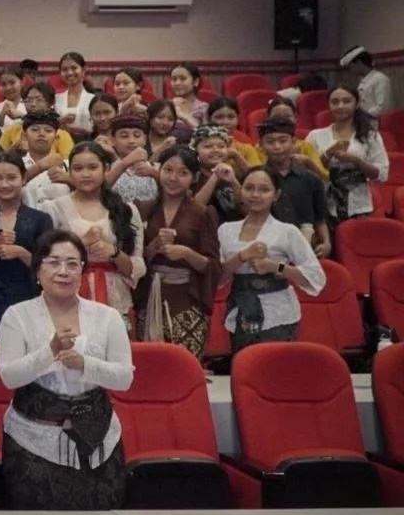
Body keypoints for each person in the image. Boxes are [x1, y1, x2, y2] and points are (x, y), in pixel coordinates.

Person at [0, 230, 134, 510]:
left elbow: (124, 379)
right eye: (53, 262)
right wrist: (50, 351)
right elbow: (9, 376)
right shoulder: (16, 315)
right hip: (31, 440)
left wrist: (86, 365)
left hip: (100, 440)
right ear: (38, 269)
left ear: (83, 270)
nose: (63, 271)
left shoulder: (107, 316)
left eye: (73, 263)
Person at [218, 167, 326, 350]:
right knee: (245, 367)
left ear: (276, 195)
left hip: (279, 312)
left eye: (264, 189)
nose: (255, 194)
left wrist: (276, 267)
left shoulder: (287, 231)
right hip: (241, 311)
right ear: (241, 191)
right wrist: (241, 257)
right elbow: (219, 279)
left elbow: (315, 277)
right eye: (249, 188)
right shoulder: (226, 230)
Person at [43, 143, 145, 333]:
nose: (85, 174)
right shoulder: (54, 208)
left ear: (105, 169)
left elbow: (136, 265)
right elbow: (46, 259)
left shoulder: (126, 209)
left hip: (115, 293)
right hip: (69, 291)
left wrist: (114, 252)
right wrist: (81, 243)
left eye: (92, 167)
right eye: (78, 168)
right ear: (70, 172)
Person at [132, 146, 220, 354]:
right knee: (151, 365)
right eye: (168, 170)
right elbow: (134, 259)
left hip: (187, 301)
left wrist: (187, 254)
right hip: (149, 298)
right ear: (159, 170)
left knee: (185, 367)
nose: (173, 177)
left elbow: (214, 266)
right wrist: (153, 247)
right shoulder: (143, 209)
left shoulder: (203, 213)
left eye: (183, 173)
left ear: (194, 177)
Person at [0, 155, 52, 339]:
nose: (4, 184)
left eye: (11, 178)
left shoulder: (41, 219)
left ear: (23, 179)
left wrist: (21, 253)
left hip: (29, 296)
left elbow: (48, 267)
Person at [307, 85, 389, 224]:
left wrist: (356, 161)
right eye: (335, 102)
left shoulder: (370, 136)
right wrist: (327, 154)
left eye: (346, 101)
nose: (340, 106)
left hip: (359, 206)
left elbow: (381, 175)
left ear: (356, 104)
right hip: (324, 205)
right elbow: (306, 172)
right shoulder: (315, 135)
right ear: (329, 105)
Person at [257, 117, 331, 258]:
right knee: (280, 272)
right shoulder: (256, 177)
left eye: (283, 140)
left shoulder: (311, 178)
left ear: (294, 142)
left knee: (297, 276)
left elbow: (320, 218)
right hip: (267, 250)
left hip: (305, 248)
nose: (277, 146)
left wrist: (327, 243)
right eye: (270, 142)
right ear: (260, 144)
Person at [191, 124, 244, 223]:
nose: (215, 150)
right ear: (195, 149)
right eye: (208, 146)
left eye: (221, 146)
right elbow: (194, 211)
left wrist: (234, 182)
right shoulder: (192, 175)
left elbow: (246, 209)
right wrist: (215, 177)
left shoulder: (232, 172)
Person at [106, 112, 159, 207]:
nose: (132, 141)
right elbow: (98, 191)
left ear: (145, 139)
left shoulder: (156, 168)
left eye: (137, 135)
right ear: (112, 140)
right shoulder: (107, 168)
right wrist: (125, 163)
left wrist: (154, 173)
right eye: (124, 136)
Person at [339, 45, 392, 118]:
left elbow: (382, 108)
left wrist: (362, 115)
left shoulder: (380, 79)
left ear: (358, 63)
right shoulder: (364, 80)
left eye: (350, 67)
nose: (350, 71)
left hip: (375, 124)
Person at [55, 51, 93, 132]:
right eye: (64, 69)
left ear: (83, 70)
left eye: (74, 68)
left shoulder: (93, 99)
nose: (69, 73)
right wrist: (60, 121)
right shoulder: (55, 99)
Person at [169, 63, 209, 130]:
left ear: (196, 81)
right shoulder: (166, 106)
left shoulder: (204, 108)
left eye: (183, 79)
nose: (177, 83)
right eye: (174, 79)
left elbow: (207, 135)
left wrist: (184, 116)